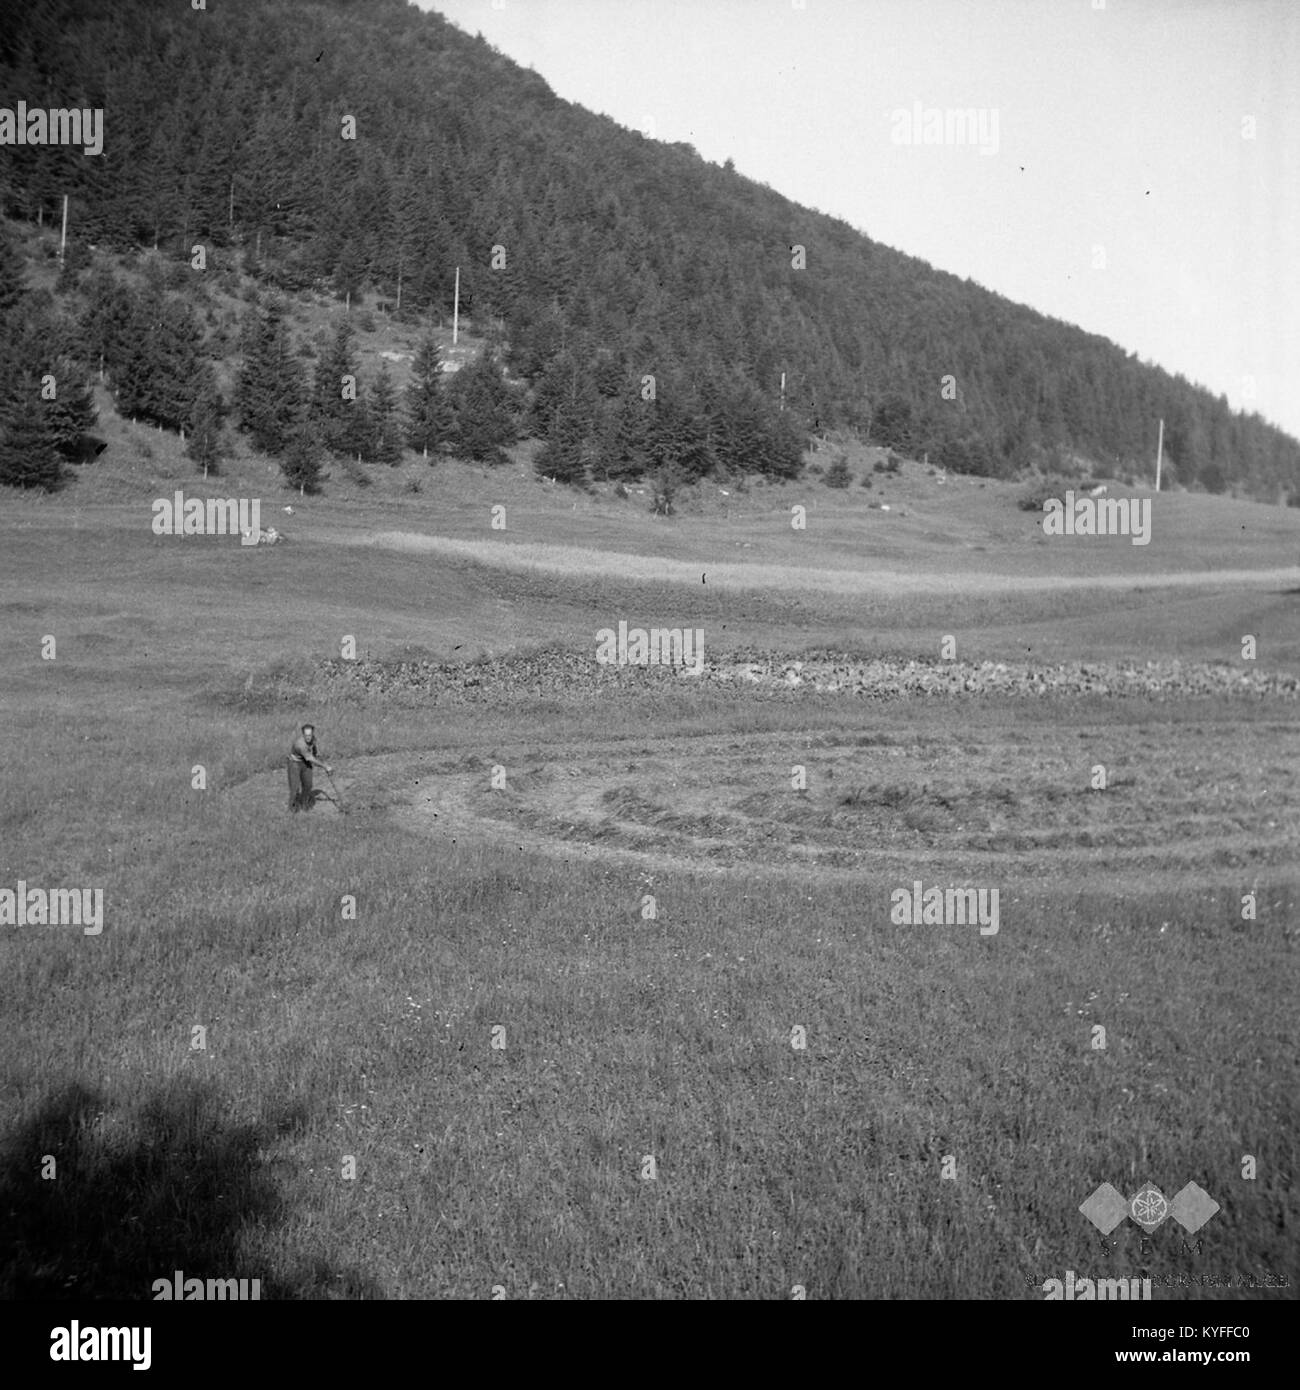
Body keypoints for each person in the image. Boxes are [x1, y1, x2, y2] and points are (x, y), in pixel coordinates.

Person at [287, 724, 332, 812]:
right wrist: (325, 766)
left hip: (305, 763)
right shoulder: (300, 744)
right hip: (295, 763)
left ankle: (304, 803)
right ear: (303, 735)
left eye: (310, 735)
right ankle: (292, 809)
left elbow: (314, 750)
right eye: (306, 735)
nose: (308, 737)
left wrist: (317, 754)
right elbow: (310, 758)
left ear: (312, 734)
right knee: (295, 788)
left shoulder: (313, 739)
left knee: (308, 785)